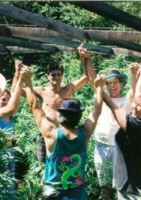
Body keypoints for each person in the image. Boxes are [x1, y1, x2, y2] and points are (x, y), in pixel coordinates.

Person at [24, 65, 105, 200]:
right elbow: (97, 111)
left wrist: (27, 81)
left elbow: (34, 106)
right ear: (79, 117)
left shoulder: (51, 134)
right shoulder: (85, 134)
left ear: (60, 116)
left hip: (53, 192)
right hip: (77, 193)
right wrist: (100, 88)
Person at [12, 48, 89, 163]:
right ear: (47, 76)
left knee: (64, 164)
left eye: (59, 74)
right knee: (43, 165)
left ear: (62, 76)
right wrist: (17, 73)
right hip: (45, 135)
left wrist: (84, 60)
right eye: (53, 75)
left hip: (64, 134)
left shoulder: (67, 89)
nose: (56, 77)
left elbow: (86, 78)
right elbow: (15, 90)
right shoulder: (41, 91)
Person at [78, 45, 130, 199]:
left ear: (121, 84)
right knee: (104, 186)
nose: (112, 85)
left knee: (120, 184)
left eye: (115, 82)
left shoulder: (126, 101)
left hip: (119, 148)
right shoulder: (103, 96)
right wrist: (87, 59)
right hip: (101, 146)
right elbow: (94, 79)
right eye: (109, 83)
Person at [103, 59, 141, 199]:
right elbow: (138, 96)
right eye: (134, 103)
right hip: (133, 180)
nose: (134, 106)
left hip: (131, 185)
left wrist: (98, 87)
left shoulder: (135, 126)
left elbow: (114, 107)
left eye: (139, 105)